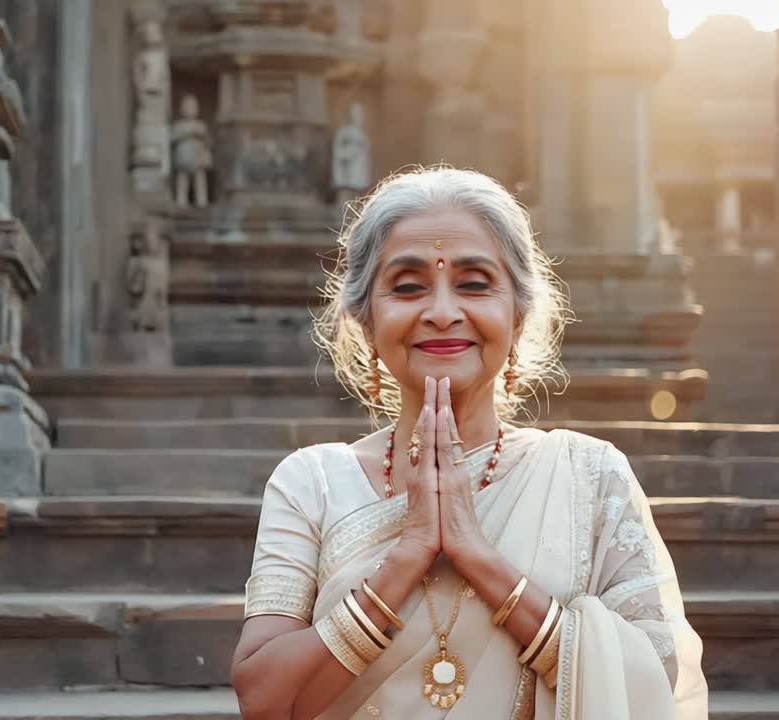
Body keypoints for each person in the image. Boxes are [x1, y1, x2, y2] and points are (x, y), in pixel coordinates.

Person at [230, 167, 707, 719]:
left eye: (475, 283)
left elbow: (651, 679)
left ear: (519, 314)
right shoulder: (309, 483)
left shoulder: (589, 475)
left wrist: (478, 556)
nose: (441, 311)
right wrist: (406, 558)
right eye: (407, 287)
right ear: (365, 321)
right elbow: (263, 698)